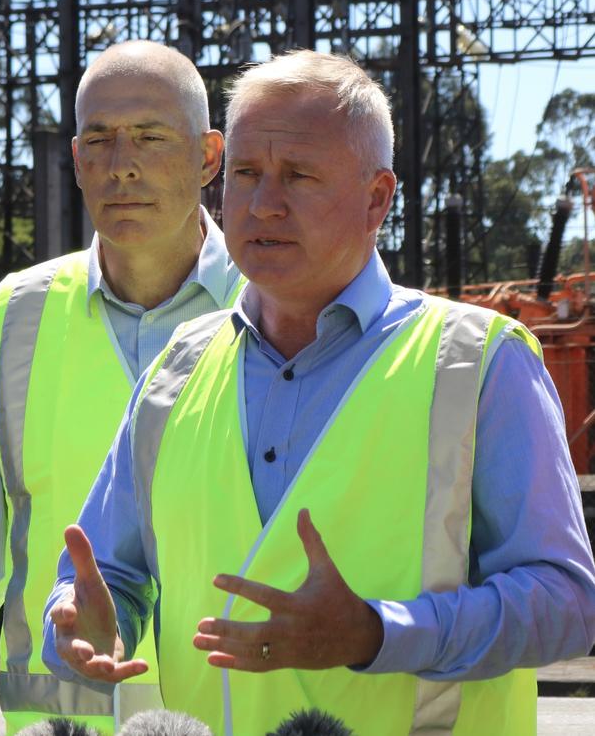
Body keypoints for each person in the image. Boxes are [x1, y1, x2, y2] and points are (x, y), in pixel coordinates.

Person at [42, 50, 595, 735]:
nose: (262, 202)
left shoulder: (480, 365)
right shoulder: (174, 375)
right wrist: (77, 624)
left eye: (298, 175)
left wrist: (376, 632)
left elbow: (567, 601)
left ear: (378, 199)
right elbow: (106, 573)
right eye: (245, 173)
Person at [0, 40, 243, 735]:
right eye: (100, 140)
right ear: (77, 162)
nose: (123, 163)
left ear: (208, 157)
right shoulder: (20, 317)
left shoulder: (278, 311)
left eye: (149, 136)